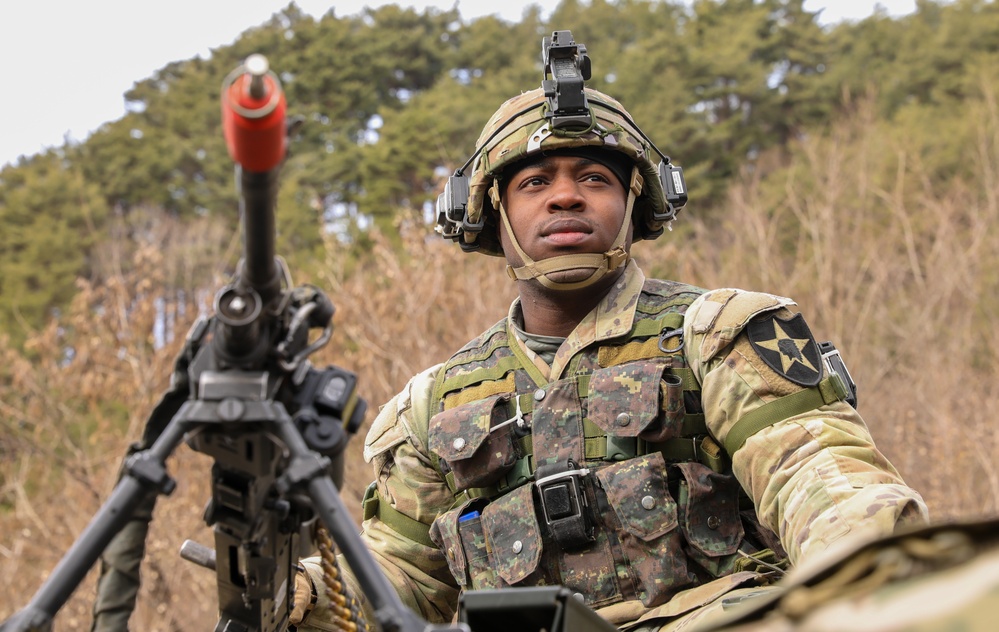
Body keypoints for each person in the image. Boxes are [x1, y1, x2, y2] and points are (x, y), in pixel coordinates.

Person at [292, 35, 928, 632]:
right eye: (534, 182)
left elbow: (821, 479)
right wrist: (298, 593)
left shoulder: (716, 335)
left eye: (594, 178)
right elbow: (399, 576)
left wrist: (863, 581)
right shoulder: (435, 404)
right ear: (496, 214)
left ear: (633, 201)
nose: (565, 197)